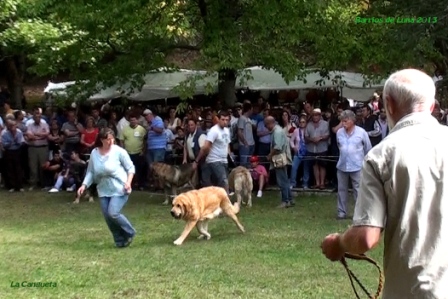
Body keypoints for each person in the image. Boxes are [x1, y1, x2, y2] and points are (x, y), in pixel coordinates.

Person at [321, 69, 448, 298]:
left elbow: (365, 237)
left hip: (413, 289)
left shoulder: (383, 155)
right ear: (431, 107)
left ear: (388, 105)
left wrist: (338, 244)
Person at [77, 128, 136, 248]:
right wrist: (84, 185)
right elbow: (91, 172)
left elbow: (131, 168)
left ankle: (130, 232)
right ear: (101, 140)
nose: (110, 142)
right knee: (108, 218)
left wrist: (128, 182)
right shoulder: (94, 153)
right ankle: (120, 241)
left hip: (120, 188)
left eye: (112, 139)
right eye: (107, 139)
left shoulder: (119, 152)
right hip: (103, 189)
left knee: (113, 213)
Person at [335, 110, 371, 219]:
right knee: (341, 190)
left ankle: (359, 214)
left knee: (359, 191)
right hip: (342, 165)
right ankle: (341, 212)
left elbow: (368, 149)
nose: (343, 123)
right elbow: (339, 145)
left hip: (357, 166)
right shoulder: (339, 133)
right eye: (342, 121)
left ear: (352, 121)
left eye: (345, 121)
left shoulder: (362, 132)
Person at [193, 111, 232, 193]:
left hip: (224, 160)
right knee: (223, 182)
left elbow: (227, 144)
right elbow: (206, 146)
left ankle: (216, 202)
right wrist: (197, 160)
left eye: (227, 120)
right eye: (223, 119)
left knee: (217, 184)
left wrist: (229, 156)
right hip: (214, 160)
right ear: (219, 119)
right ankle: (227, 203)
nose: (225, 122)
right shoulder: (214, 131)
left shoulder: (227, 130)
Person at [264, 116, 293, 208]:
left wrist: (270, 155)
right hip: (282, 157)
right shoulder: (279, 130)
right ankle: (290, 200)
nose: (266, 127)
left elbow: (277, 147)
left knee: (282, 181)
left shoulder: (277, 132)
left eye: (266, 125)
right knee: (285, 179)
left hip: (279, 158)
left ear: (270, 123)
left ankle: (285, 201)